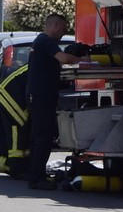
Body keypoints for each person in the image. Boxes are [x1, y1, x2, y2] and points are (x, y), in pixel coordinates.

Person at [25, 13, 81, 190]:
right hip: (42, 96)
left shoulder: (41, 42)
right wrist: (84, 61)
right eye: (63, 29)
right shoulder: (45, 41)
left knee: (39, 136)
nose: (63, 34)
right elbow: (64, 59)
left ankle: (36, 175)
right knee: (44, 137)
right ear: (55, 26)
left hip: (39, 95)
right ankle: (37, 178)